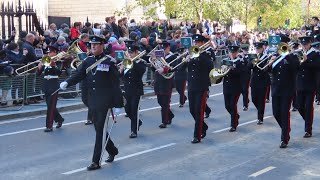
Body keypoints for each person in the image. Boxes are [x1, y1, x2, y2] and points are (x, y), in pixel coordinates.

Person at [59, 35, 123, 170]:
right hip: (92, 101)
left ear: (102, 46)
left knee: (100, 130)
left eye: (95, 44)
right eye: (91, 45)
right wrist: (67, 82)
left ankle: (96, 161)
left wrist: (118, 104)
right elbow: (79, 74)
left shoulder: (109, 61)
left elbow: (115, 85)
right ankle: (112, 150)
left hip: (105, 102)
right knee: (99, 129)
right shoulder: (88, 61)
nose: (92, 47)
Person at [268, 35, 299, 148]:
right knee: (276, 113)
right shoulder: (275, 56)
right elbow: (268, 70)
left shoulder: (292, 57)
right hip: (276, 89)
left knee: (284, 113)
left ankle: (284, 139)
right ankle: (286, 129)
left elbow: (296, 67)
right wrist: (270, 64)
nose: (279, 46)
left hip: (287, 90)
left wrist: (288, 54)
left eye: (282, 44)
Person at [186, 34, 212, 143]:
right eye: (195, 42)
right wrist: (187, 59)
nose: (196, 44)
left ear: (202, 43)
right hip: (191, 86)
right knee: (192, 110)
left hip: (201, 86)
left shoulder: (206, 54)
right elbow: (182, 67)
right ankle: (203, 126)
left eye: (198, 42)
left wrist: (198, 56)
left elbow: (210, 66)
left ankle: (197, 136)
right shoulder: (191, 54)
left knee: (198, 111)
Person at [119, 45, 146, 138]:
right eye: (129, 53)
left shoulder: (141, 62)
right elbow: (121, 77)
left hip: (136, 90)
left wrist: (132, 61)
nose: (129, 54)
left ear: (136, 52)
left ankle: (133, 131)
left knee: (134, 111)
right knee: (127, 110)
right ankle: (138, 122)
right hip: (127, 90)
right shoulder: (126, 62)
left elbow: (140, 71)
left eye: (131, 53)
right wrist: (121, 69)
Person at [296, 36, 320, 138]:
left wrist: (306, 61)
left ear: (310, 43)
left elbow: (317, 65)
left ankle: (308, 130)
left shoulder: (315, 54)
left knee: (308, 106)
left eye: (306, 44)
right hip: (300, 83)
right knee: (299, 106)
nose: (304, 46)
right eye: (303, 44)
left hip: (310, 83)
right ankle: (308, 120)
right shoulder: (298, 53)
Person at [36, 46, 64, 132]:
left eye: (50, 52)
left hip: (54, 86)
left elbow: (59, 73)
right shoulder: (45, 61)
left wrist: (53, 66)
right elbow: (38, 74)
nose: (48, 54)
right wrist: (40, 66)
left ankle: (49, 126)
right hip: (46, 85)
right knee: (50, 105)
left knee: (51, 107)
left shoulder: (58, 61)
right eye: (48, 53)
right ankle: (59, 119)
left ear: (55, 52)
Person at [151, 40, 176, 129]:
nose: (162, 50)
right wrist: (153, 62)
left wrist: (164, 70)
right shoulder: (158, 56)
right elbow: (154, 69)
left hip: (167, 82)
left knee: (165, 103)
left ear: (168, 48)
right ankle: (170, 115)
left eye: (164, 48)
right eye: (161, 48)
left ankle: (164, 121)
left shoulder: (172, 56)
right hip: (158, 81)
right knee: (160, 101)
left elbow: (174, 68)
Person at [249, 42, 270, 124]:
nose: (257, 50)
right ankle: (260, 110)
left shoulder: (266, 57)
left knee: (261, 100)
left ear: (262, 49)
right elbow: (248, 68)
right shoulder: (253, 57)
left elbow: (265, 69)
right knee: (254, 99)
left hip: (263, 81)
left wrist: (258, 62)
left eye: (259, 49)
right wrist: (252, 63)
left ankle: (260, 118)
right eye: (256, 49)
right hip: (254, 81)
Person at [223, 45, 243, 132]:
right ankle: (235, 116)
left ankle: (233, 125)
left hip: (235, 86)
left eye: (233, 52)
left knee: (232, 105)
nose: (232, 54)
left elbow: (240, 73)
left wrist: (233, 67)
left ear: (237, 53)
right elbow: (222, 72)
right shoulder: (225, 60)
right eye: (230, 52)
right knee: (227, 106)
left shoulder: (240, 61)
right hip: (226, 86)